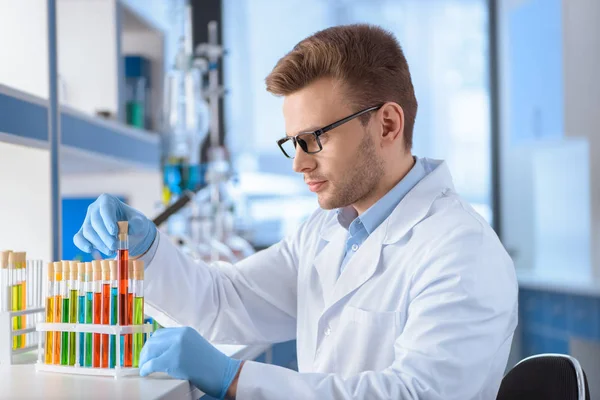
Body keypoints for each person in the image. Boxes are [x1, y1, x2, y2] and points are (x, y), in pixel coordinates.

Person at [74, 24, 517, 400]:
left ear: (387, 124)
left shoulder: (462, 252)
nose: (299, 163)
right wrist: (148, 249)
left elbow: (414, 394)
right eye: (293, 142)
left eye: (315, 138)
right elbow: (226, 301)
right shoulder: (328, 231)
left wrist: (236, 381)